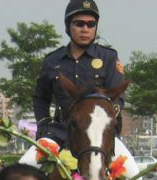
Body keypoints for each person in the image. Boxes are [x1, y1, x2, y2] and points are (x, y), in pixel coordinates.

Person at [33, 0, 125, 145]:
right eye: (79, 24)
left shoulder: (109, 58)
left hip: (100, 136)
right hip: (59, 134)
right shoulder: (52, 61)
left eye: (91, 24)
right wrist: (44, 125)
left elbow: (117, 97)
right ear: (68, 26)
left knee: (128, 161)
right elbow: (41, 98)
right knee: (29, 157)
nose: (85, 29)